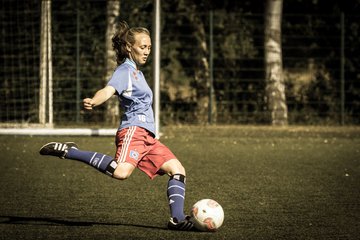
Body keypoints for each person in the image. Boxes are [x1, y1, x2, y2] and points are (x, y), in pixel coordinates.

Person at [39, 21, 194, 231]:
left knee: (177, 170)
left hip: (149, 138)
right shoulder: (125, 72)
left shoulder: (139, 73)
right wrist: (95, 100)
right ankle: (71, 151)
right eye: (142, 47)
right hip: (134, 132)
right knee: (121, 172)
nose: (147, 51)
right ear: (129, 47)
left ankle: (177, 219)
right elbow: (108, 89)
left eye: (149, 47)